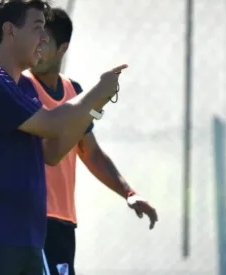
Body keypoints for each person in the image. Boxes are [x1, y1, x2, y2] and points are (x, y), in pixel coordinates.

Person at [0, 1, 128, 274]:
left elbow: (52, 152)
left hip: (26, 240)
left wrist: (95, 106)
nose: (43, 38)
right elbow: (54, 124)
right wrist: (97, 91)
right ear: (10, 31)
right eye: (37, 28)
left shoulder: (21, 85)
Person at [24, 8, 159, 275]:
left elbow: (90, 152)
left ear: (63, 48)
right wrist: (97, 103)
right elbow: (50, 152)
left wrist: (129, 193)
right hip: (28, 219)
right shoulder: (20, 87)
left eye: (44, 41)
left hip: (63, 221)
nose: (36, 47)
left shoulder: (74, 91)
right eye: (33, 38)